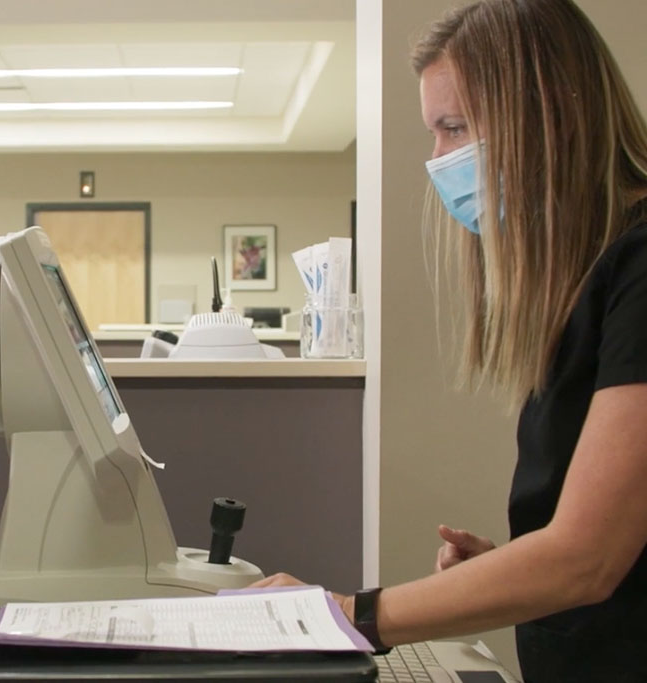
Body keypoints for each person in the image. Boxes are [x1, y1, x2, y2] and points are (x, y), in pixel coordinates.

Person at [254, 1, 647, 681]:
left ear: (548, 113)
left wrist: (348, 613)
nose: (439, 160)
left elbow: (588, 557)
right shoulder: (595, 277)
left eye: (456, 128)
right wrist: (508, 567)